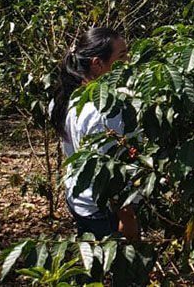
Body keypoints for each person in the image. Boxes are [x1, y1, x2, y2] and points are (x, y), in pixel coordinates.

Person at [49, 27, 139, 241]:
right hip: (105, 209)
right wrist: (127, 219)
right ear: (98, 64)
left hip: (79, 198)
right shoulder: (105, 111)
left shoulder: (62, 98)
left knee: (91, 256)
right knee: (118, 260)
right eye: (122, 56)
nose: (129, 61)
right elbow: (109, 173)